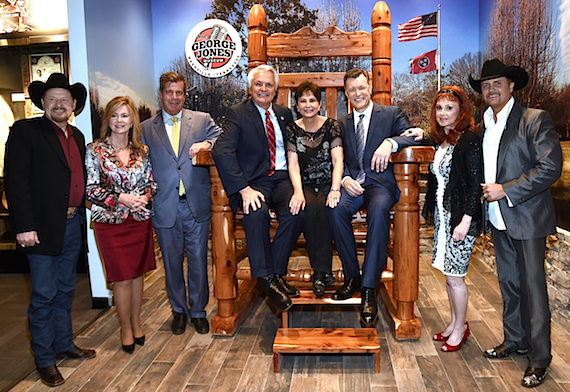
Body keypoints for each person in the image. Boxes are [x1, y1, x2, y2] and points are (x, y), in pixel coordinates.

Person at [469, 59, 562, 387]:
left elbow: (550, 167)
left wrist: (505, 190)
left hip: (528, 218)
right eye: (485, 85)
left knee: (533, 289)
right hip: (498, 219)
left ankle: (539, 358)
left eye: (497, 83)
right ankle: (515, 340)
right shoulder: (485, 126)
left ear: (511, 86)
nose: (491, 89)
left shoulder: (534, 120)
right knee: (509, 285)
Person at [4, 73, 95, 387]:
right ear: (42, 102)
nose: (59, 104)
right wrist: (24, 226)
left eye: (65, 99)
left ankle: (63, 343)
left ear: (73, 105)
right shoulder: (26, 131)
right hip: (39, 229)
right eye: (53, 99)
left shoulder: (77, 136)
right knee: (43, 295)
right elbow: (16, 182)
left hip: (71, 225)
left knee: (65, 290)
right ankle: (44, 360)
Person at [328, 68, 422, 326]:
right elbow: (337, 157)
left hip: (380, 184)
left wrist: (390, 143)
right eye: (352, 90)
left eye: (361, 87)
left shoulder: (391, 114)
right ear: (346, 94)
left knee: (380, 210)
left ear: (369, 87)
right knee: (335, 210)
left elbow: (410, 136)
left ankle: (369, 288)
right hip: (352, 185)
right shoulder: (342, 123)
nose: (357, 93)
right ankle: (352, 277)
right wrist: (345, 178)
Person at [212, 65, 305, 312]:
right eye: (258, 84)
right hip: (254, 183)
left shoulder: (284, 114)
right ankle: (266, 279)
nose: (263, 89)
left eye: (268, 85)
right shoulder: (237, 113)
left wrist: (300, 187)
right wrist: (243, 188)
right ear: (250, 88)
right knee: (256, 212)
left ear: (275, 90)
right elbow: (221, 150)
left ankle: (274, 272)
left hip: (283, 179)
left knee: (298, 210)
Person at [141, 72, 220, 335]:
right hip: (164, 206)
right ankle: (178, 311)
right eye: (169, 92)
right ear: (161, 93)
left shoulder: (201, 120)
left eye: (179, 93)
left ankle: (198, 311)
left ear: (185, 95)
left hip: (195, 204)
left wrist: (206, 143)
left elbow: (223, 139)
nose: (174, 97)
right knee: (172, 264)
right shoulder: (144, 129)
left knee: (198, 261)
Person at [85, 96, 157, 354]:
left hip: (138, 221)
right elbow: (90, 190)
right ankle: (125, 328)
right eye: (114, 115)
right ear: (108, 120)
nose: (119, 121)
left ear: (132, 120)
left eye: (125, 115)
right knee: (122, 279)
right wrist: (120, 198)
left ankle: (137, 323)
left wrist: (145, 198)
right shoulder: (95, 150)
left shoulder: (142, 151)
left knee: (138, 275)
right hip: (111, 224)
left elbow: (151, 183)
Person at [422, 86, 482, 352]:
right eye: (439, 108)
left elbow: (474, 185)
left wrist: (466, 221)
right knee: (449, 275)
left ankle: (460, 329)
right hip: (444, 219)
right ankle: (455, 323)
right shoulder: (442, 140)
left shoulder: (468, 140)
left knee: (456, 276)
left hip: (460, 219)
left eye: (449, 108)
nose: (443, 113)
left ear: (461, 110)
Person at [286, 81, 343, 296]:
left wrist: (336, 188)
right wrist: (298, 192)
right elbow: (293, 164)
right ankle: (321, 271)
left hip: (329, 182)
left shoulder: (331, 125)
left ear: (319, 104)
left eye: (312, 100)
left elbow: (338, 160)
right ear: (297, 105)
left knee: (326, 208)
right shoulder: (292, 128)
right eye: (303, 101)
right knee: (309, 208)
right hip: (305, 183)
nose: (308, 105)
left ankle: (320, 272)